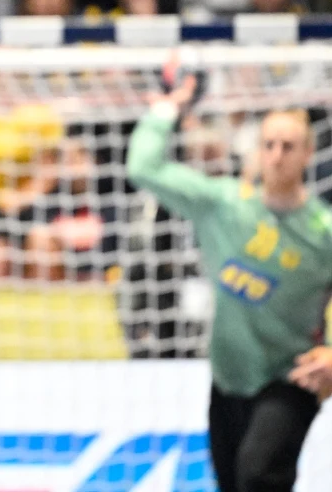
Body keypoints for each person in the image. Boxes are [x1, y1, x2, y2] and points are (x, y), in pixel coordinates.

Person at [127, 66, 332, 491]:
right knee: (234, 483)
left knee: (258, 476)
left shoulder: (323, 231)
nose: (276, 155)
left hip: (290, 377)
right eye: (268, 144)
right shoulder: (223, 207)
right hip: (228, 379)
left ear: (308, 154)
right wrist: (165, 111)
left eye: (288, 146)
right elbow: (144, 167)